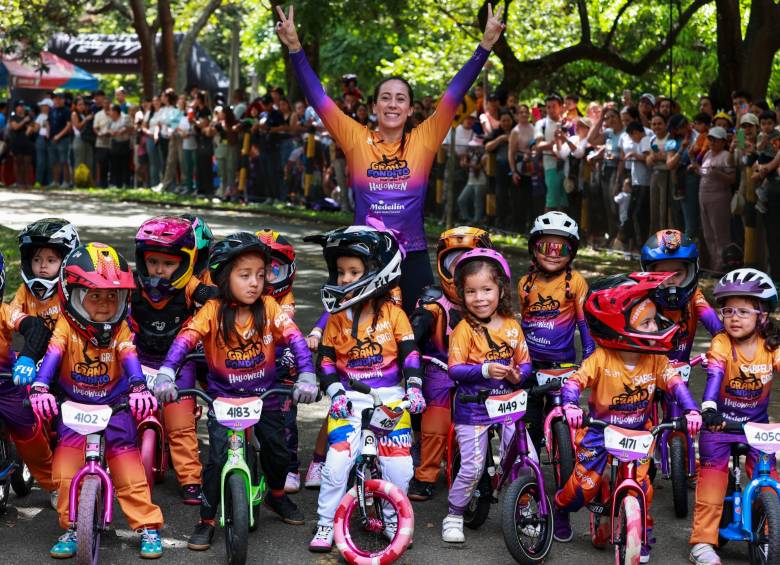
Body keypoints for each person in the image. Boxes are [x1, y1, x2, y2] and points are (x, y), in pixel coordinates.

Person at [276, 3, 505, 313]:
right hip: (363, 256)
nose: (393, 104)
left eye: (401, 99)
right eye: (385, 97)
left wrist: (486, 45)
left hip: (413, 255)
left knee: (424, 337)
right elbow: (319, 99)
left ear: (410, 109)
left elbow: (454, 93)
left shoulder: (423, 140)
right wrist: (295, 47)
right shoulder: (357, 139)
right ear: (374, 107)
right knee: (358, 345)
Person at [152, 232, 317, 551]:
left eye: (259, 274)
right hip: (222, 398)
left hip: (264, 394)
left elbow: (295, 338)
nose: (255, 282)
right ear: (223, 277)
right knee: (214, 459)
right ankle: (207, 519)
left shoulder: (269, 306)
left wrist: (307, 373)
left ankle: (277, 496)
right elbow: (186, 338)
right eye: (245, 275)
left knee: (278, 450)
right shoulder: (212, 309)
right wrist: (166, 373)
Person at [553, 272, 702, 563]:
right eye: (646, 322)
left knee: (644, 489)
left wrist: (692, 410)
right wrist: (570, 405)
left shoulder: (656, 358)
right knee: (583, 487)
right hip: (600, 431)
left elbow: (675, 384)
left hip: (638, 433)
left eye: (653, 319)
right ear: (618, 325)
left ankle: (642, 534)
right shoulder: (601, 358)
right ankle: (561, 507)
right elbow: (574, 383)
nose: (655, 326)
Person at [28, 242, 164, 559]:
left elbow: (130, 357)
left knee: (129, 471)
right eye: (94, 295)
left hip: (115, 408)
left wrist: (139, 388)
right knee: (63, 472)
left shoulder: (121, 331)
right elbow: (52, 355)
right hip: (74, 408)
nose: (104, 304)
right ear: (74, 295)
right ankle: (72, 527)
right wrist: (39, 387)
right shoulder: (65, 326)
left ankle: (148, 527)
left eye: (111, 297)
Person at [303, 225, 424, 552]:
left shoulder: (394, 314)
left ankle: (392, 518)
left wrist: (414, 387)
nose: (343, 278)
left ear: (378, 273)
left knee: (399, 467)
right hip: (349, 399)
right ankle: (326, 521)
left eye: (353, 271)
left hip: (391, 400)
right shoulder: (335, 317)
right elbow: (326, 363)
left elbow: (410, 353)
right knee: (337, 462)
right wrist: (335, 394)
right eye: (340, 271)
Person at [688, 268, 779, 565]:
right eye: (727, 310)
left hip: (756, 427)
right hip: (720, 425)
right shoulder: (722, 343)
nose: (734, 318)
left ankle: (771, 532)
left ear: (762, 315)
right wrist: (710, 408)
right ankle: (702, 542)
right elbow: (714, 374)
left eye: (743, 310)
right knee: (712, 485)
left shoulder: (771, 345)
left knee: (769, 482)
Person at [441, 248, 534, 543]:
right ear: (461, 293)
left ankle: (525, 511)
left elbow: (525, 362)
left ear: (501, 289)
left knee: (527, 458)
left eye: (486, 289)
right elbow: (454, 370)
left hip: (508, 403)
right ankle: (454, 513)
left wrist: (520, 374)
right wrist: (483, 371)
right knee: (472, 466)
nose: (479, 298)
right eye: (471, 291)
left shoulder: (511, 326)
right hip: (473, 406)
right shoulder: (463, 330)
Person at [130, 216, 218, 505]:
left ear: (184, 263)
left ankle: (191, 479)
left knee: (180, 424)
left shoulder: (191, 286)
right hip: (139, 358)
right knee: (124, 415)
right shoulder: (133, 287)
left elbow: (212, 294)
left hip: (180, 362)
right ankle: (119, 470)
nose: (159, 270)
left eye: (168, 264)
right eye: (153, 262)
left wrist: (226, 294)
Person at [407, 227, 493, 501]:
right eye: (451, 262)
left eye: (467, 262)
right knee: (436, 420)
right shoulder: (434, 303)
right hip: (439, 370)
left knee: (489, 418)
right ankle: (426, 475)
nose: (458, 270)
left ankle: (485, 471)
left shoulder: (490, 301)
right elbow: (413, 336)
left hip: (479, 372)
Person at [517, 212, 594, 448]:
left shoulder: (576, 282)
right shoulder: (525, 283)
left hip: (562, 367)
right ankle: (529, 477)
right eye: (546, 246)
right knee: (529, 424)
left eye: (560, 249)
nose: (552, 254)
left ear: (571, 252)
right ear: (533, 248)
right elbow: (520, 326)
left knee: (564, 421)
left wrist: (589, 359)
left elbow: (584, 325)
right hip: (530, 365)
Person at [254, 228, 302, 493]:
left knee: (285, 420)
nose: (268, 278)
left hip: (282, 364)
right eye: (262, 270)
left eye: (275, 269)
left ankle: (291, 467)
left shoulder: (285, 302)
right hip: (248, 365)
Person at [639, 230, 723, 362]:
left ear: (690, 273)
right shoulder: (639, 300)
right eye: (662, 274)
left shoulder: (694, 297)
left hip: (681, 381)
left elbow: (718, 330)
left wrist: (719, 354)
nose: (671, 280)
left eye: (677, 274)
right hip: (645, 380)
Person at [10, 218, 81, 337]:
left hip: (69, 353)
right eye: (37, 260)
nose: (43, 265)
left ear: (66, 260)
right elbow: (9, 313)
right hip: (34, 351)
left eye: (51, 260)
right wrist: (24, 321)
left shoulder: (72, 290)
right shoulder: (25, 291)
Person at [690, 126, 736, 271]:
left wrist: (719, 174)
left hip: (719, 197)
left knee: (720, 233)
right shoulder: (708, 154)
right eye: (710, 139)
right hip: (703, 196)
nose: (712, 142)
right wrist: (693, 163)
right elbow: (704, 173)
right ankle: (714, 264)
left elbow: (732, 178)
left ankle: (723, 265)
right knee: (708, 233)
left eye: (715, 140)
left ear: (723, 141)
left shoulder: (726, 156)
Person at [535, 93, 568, 212]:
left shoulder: (568, 123)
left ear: (561, 107)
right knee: (552, 200)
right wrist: (555, 142)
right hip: (550, 165)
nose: (550, 109)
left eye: (554, 106)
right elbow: (538, 145)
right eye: (548, 107)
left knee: (564, 201)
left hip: (567, 165)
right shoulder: (541, 124)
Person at [508, 104, 537, 232]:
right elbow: (511, 152)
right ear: (517, 116)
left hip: (533, 167)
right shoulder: (515, 131)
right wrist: (513, 171)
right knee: (519, 200)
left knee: (531, 199)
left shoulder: (534, 128)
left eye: (526, 112)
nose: (524, 114)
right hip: (520, 166)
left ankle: (529, 227)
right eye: (521, 112)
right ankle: (517, 228)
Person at [485, 110, 515, 229]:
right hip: (500, 168)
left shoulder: (516, 131)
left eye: (508, 120)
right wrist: (501, 138)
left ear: (512, 121)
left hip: (515, 169)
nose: (506, 123)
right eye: (503, 121)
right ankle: (499, 223)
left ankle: (512, 224)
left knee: (513, 197)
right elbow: (487, 147)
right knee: (500, 195)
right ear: (500, 122)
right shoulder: (496, 132)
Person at [8, 100, 35, 188]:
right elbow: (15, 127)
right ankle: (19, 182)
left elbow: (32, 128)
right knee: (18, 162)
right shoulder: (13, 117)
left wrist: (29, 128)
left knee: (27, 162)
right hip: (16, 142)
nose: (21, 108)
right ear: (16, 108)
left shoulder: (29, 117)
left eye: (23, 106)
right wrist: (24, 121)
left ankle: (27, 182)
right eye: (19, 106)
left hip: (28, 143)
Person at [49, 93, 72, 188]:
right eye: (55, 99)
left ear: (63, 100)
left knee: (64, 161)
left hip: (63, 139)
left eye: (59, 99)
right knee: (54, 161)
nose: (57, 101)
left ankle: (67, 182)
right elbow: (48, 122)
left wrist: (59, 135)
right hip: (52, 139)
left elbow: (69, 125)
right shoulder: (52, 111)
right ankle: (55, 181)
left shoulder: (67, 111)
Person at [32, 99, 53, 187]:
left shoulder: (50, 115)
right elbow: (36, 129)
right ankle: (41, 182)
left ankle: (46, 182)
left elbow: (35, 129)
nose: (41, 107)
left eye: (43, 106)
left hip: (50, 139)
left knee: (48, 162)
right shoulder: (41, 116)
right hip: (42, 139)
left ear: (48, 107)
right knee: (42, 161)